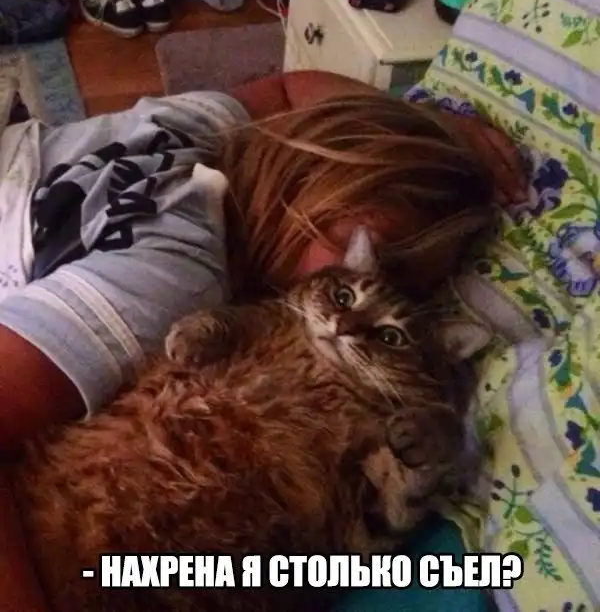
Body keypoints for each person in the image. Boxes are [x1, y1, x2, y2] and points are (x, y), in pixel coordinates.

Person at [0, 70, 526, 612]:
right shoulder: (175, 280)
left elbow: (290, 88)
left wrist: (427, 126)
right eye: (378, 252)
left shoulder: (198, 127)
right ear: (318, 185)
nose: (375, 280)